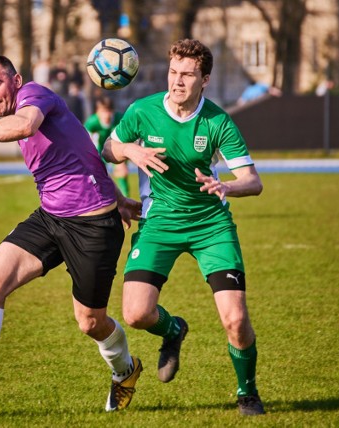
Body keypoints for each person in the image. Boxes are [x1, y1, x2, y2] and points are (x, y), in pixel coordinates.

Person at [0, 54, 143, 412]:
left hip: (92, 228)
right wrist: (117, 196)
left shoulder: (34, 95)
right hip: (50, 217)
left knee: (90, 322)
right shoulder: (21, 109)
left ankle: (125, 370)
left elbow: (26, 125)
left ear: (16, 80)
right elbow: (82, 148)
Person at [102, 39, 266, 416]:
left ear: (204, 79)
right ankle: (173, 330)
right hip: (160, 221)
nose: (177, 81)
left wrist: (226, 186)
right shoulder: (143, 112)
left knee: (236, 320)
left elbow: (253, 181)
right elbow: (108, 149)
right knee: (136, 315)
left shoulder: (218, 121)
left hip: (211, 225)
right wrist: (131, 151)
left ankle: (248, 393)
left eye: (187, 75)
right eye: (173, 72)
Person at [84, 96, 130, 196]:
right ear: (97, 112)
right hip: (98, 151)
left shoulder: (120, 119)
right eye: (103, 111)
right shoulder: (91, 123)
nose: (106, 115)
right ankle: (103, 201)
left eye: (108, 111)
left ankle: (126, 204)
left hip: (115, 149)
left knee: (122, 174)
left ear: (113, 111)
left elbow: (129, 139)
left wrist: (125, 157)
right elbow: (84, 144)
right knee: (99, 179)